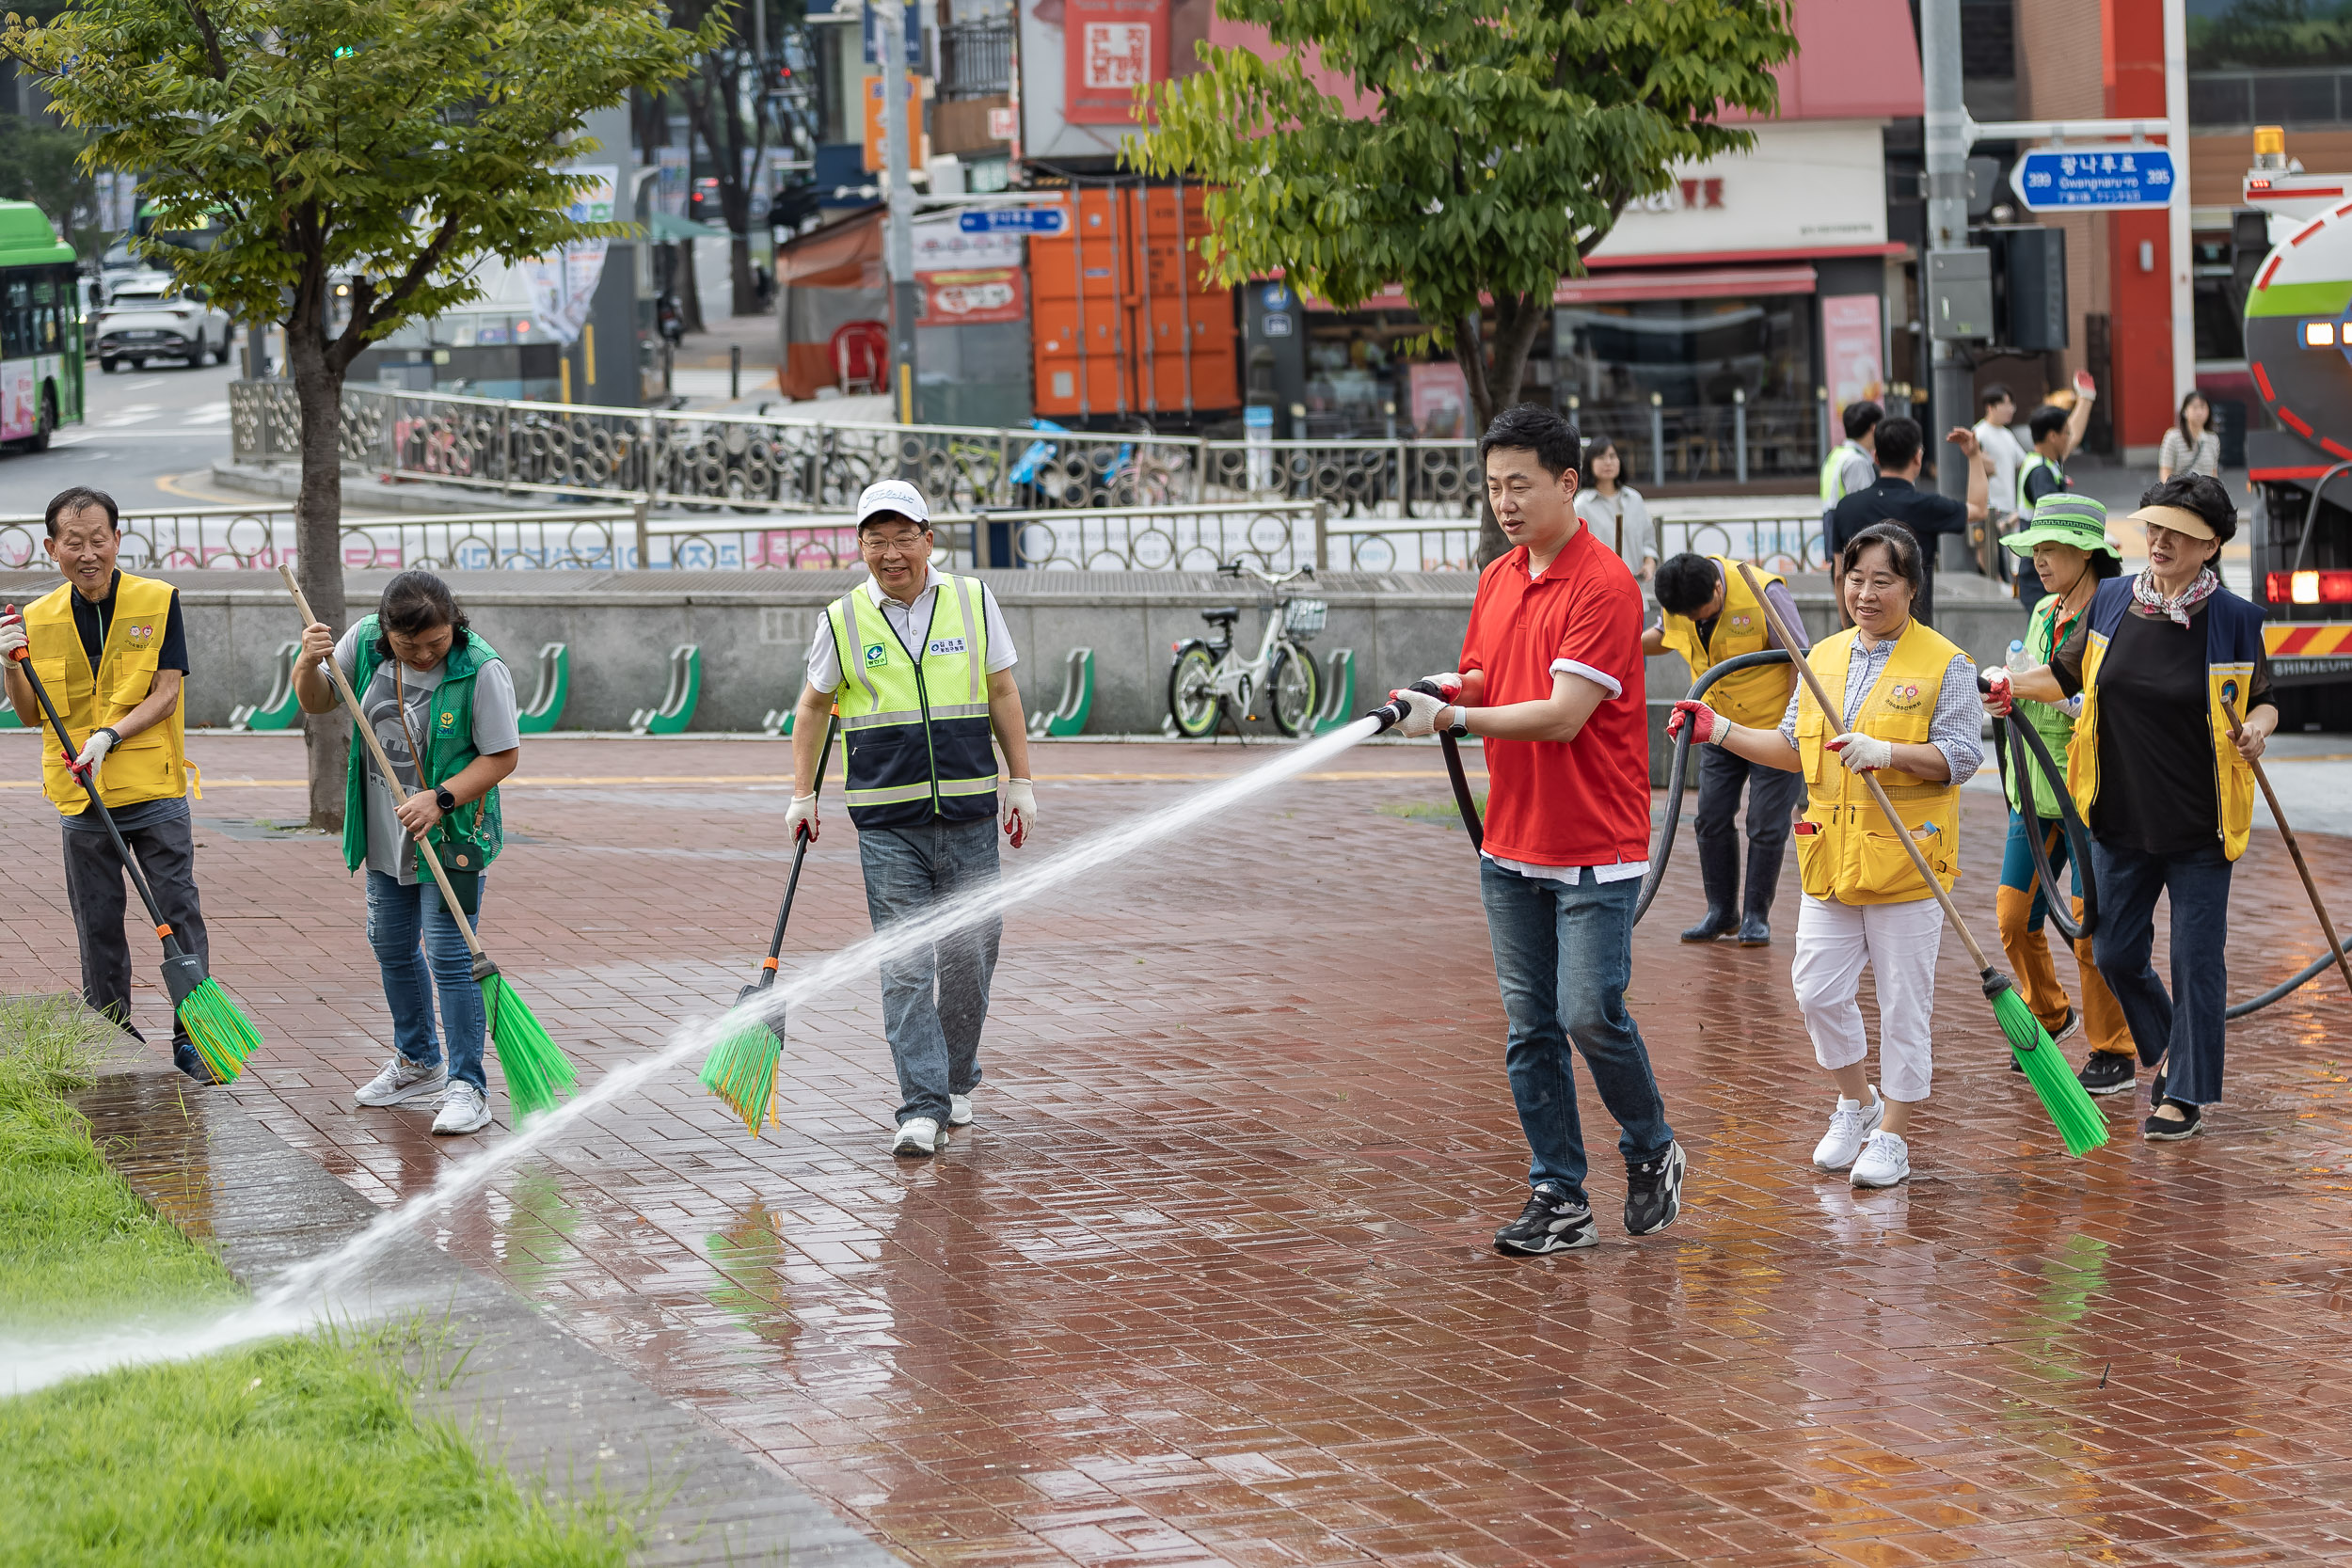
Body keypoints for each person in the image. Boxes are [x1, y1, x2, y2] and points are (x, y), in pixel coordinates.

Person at [1387, 404, 1687, 1254]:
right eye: (1492, 487)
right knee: (1531, 1029)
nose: (1505, 502)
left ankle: (1651, 1146)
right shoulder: (1499, 576)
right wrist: (1448, 688)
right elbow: (1488, 673)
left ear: (1568, 483)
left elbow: (1562, 715)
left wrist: (1451, 724)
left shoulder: (1605, 585)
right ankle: (1559, 1193)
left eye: (1520, 484)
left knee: (1590, 1011)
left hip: (1597, 841)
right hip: (1511, 842)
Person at [1667, 523, 1982, 1190]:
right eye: (1855, 578)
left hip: (1906, 862)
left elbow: (1962, 756)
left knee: (1903, 1002)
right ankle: (1855, 1102)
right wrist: (1717, 728)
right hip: (1830, 861)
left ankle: (1893, 1133)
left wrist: (1888, 751)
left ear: (1912, 588)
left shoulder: (1944, 662)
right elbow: (1791, 747)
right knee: (1816, 991)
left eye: (1882, 580)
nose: (1865, 593)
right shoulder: (1825, 659)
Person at [1981, 475, 2275, 1139]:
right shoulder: (2112, 601)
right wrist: (2007, 685)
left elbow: (2265, 694)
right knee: (2113, 951)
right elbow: (2062, 674)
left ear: (2212, 545)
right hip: (2117, 816)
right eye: (2155, 527)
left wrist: (2258, 726)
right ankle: (2175, 1045)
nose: (2161, 540)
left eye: (2180, 532)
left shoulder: (2234, 619)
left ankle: (2185, 1093)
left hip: (2200, 822)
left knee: (2197, 958)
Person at [782, 478, 1038, 1158]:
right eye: (876, 540)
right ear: (859, 546)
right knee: (902, 966)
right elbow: (814, 707)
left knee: (969, 960)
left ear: (929, 539)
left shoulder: (973, 599)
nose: (891, 554)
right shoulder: (841, 619)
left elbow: (1002, 689)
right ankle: (920, 1104)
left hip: (969, 812)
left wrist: (1023, 780)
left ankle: (955, 1079)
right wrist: (802, 794)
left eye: (903, 538)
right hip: (886, 820)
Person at [291, 572, 520, 1135]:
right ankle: (418, 1060)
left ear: (454, 627)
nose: (422, 655)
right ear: (386, 631)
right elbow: (320, 701)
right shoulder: (365, 640)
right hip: (384, 833)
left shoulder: (481, 668)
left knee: (449, 956)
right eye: (408, 645)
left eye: (435, 644)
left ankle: (468, 1085)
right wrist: (306, 662)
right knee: (390, 944)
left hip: (451, 837)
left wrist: (440, 799)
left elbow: (503, 756)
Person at [1, 487, 214, 1082]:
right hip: (80, 796)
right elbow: (26, 713)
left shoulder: (156, 601)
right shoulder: (35, 619)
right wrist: (11, 664)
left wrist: (109, 737)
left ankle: (196, 1037)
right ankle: (110, 1033)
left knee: (179, 909)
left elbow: (167, 692)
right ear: (52, 548)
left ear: (118, 540)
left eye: (99, 540)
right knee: (97, 920)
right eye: (74, 543)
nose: (88, 553)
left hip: (153, 789)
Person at [1989, 496, 2135, 1089]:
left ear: (2086, 551)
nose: (2038, 562)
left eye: (2049, 550)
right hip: (2033, 789)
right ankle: (2049, 1014)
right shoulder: (2046, 610)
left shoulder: (2114, 610)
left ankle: (2115, 1049)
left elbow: (2064, 683)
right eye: (2034, 551)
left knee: (2087, 926)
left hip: (2088, 795)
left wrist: (2015, 683)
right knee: (2012, 916)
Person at [1644, 551, 1811, 945]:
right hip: (1716, 724)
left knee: (1765, 823)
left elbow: (1799, 658)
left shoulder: (1764, 592)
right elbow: (1663, 637)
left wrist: (1793, 724)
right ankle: (1721, 912)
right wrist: (1615, 644)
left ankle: (1756, 916)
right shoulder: (1679, 598)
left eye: (1703, 612)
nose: (1697, 622)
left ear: (1719, 588)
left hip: (1773, 729)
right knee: (1711, 816)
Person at [1828, 417, 1991, 629]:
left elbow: (1839, 574)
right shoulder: (1927, 506)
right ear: (1917, 457)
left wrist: (1847, 627)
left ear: (1875, 457)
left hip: (1860, 632)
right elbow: (1979, 509)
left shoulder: (1847, 506)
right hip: (1911, 632)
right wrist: (1973, 455)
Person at [1576, 435, 1657, 586]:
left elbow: (1648, 541)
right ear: (1589, 463)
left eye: (1612, 456)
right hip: (1600, 589)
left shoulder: (1634, 498)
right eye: (1601, 457)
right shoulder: (1582, 504)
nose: (1608, 462)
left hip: (1636, 587)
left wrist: (1649, 563)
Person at [1819, 400, 1883, 553]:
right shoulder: (1857, 462)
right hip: (1852, 537)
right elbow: (1862, 508)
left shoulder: (1835, 455)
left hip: (1834, 528)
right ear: (1874, 428)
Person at [1973, 383, 2029, 524]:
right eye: (2005, 404)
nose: (2010, 409)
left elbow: (2024, 462)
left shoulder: (2007, 434)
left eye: (2012, 405)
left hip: (2009, 506)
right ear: (1990, 407)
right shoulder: (1979, 433)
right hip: (1989, 507)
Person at [2158, 390, 2222, 482]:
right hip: (2180, 493)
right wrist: (2171, 493)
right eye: (2195, 407)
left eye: (2203, 407)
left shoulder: (2212, 439)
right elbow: (2165, 471)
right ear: (2185, 411)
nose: (2199, 412)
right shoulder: (2173, 437)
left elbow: (2213, 472)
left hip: (2205, 493)